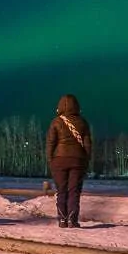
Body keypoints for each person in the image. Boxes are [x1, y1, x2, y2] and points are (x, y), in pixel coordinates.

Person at [46, 94, 92, 228]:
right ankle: (72, 220)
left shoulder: (56, 122)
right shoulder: (83, 122)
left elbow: (50, 143)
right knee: (74, 191)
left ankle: (62, 219)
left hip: (59, 161)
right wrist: (86, 160)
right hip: (77, 160)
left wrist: (50, 159)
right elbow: (88, 145)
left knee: (61, 191)